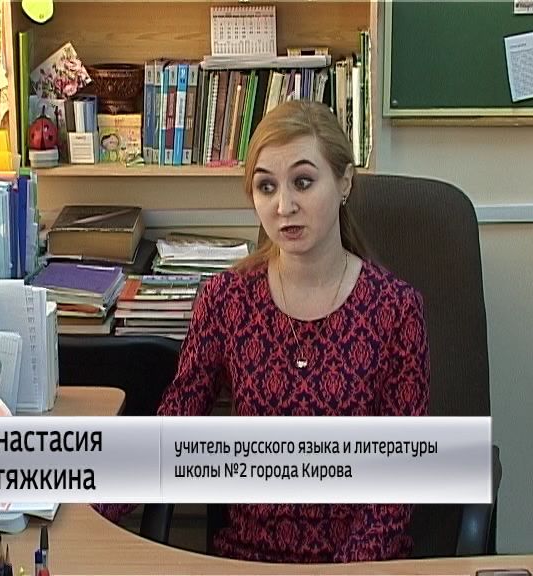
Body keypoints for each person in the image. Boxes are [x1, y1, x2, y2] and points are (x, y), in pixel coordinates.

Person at [94, 100, 429, 563]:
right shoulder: (227, 300)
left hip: (359, 562)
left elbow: (398, 480)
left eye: (303, 182)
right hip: (249, 556)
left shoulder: (396, 309)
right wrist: (78, 505)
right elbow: (173, 431)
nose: (284, 206)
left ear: (345, 182)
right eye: (266, 186)